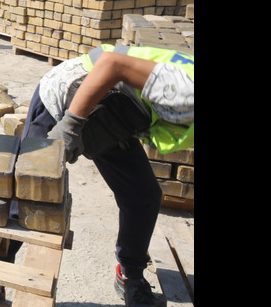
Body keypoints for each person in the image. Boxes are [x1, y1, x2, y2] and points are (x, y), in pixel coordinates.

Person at [22, 44, 193, 307]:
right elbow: (113, 64)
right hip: (71, 95)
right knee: (24, 192)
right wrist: (70, 126)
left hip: (115, 115)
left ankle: (129, 275)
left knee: (142, 196)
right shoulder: (188, 91)